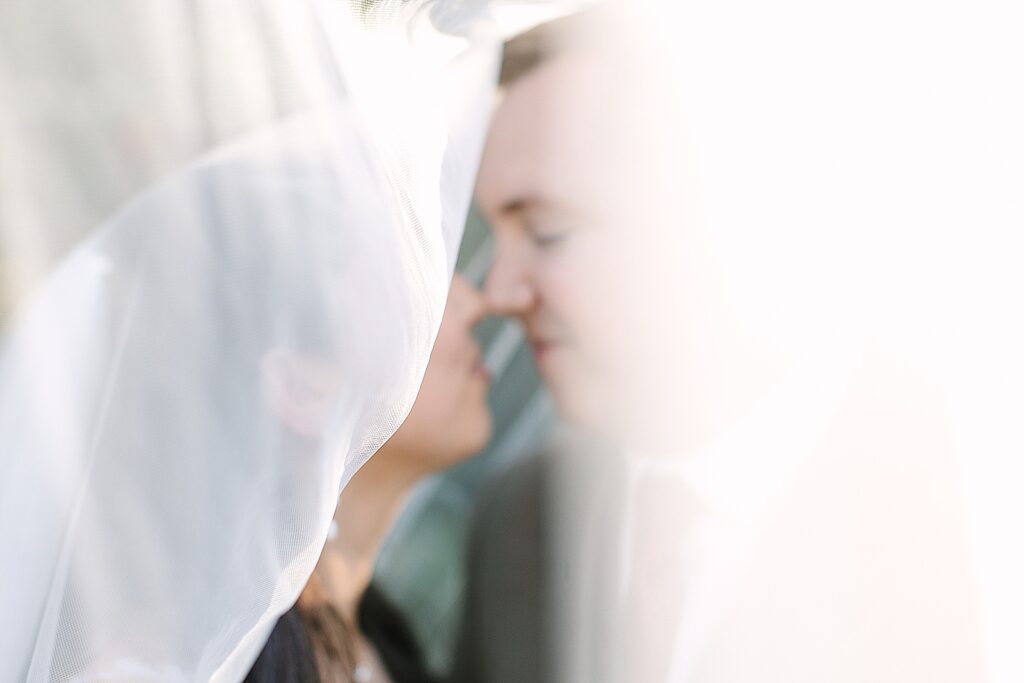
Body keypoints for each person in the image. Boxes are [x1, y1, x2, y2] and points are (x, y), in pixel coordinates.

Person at [455, 3, 986, 682]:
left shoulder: (954, 510)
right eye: (493, 232)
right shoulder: (519, 517)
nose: (499, 290)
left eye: (548, 232)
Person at [247, 275, 492, 683]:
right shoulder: (214, 648)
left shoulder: (394, 645)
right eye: (420, 280)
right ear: (302, 389)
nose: (476, 303)